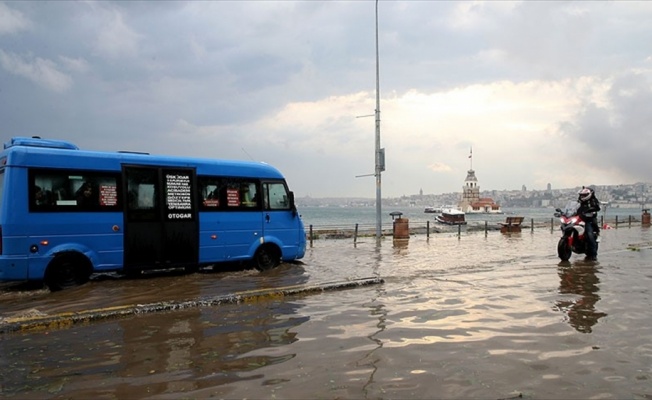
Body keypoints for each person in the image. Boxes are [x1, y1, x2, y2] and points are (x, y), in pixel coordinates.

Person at [577, 186, 601, 260]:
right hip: (580, 218)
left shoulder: (593, 200)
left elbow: (597, 208)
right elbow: (575, 207)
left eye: (584, 195)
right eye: (581, 195)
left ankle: (594, 254)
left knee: (589, 235)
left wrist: (590, 210)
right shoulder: (579, 201)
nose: (582, 196)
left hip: (589, 220)